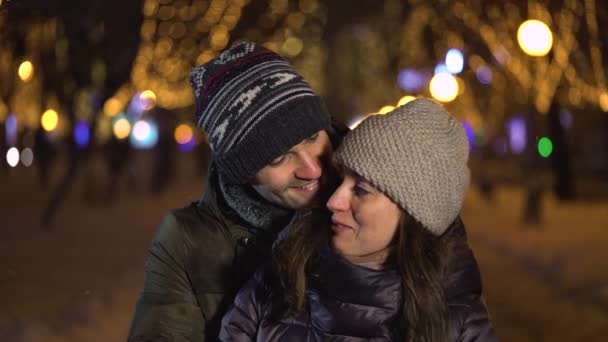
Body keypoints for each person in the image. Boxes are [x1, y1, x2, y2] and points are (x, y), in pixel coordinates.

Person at [220, 98, 497, 341]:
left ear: (414, 215)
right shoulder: (279, 278)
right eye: (341, 180)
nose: (332, 201)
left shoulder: (460, 326)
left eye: (362, 190)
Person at [127, 41, 338, 341]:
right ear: (242, 173)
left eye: (313, 136)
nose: (312, 169)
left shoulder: (385, 196)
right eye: (278, 157)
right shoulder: (188, 240)